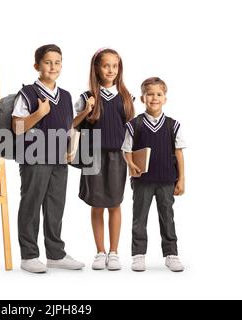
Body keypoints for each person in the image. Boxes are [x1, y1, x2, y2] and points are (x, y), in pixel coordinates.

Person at [12, 44, 85, 273]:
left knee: (55, 206)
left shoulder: (65, 96)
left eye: (57, 62)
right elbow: (17, 127)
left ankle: (55, 254)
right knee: (31, 204)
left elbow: (67, 125)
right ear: (37, 66)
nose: (53, 66)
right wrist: (39, 113)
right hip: (34, 158)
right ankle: (29, 255)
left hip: (59, 160)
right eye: (47, 62)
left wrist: (70, 147)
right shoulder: (27, 94)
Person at [73, 48, 134, 270]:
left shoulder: (126, 97)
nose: (110, 70)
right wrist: (85, 111)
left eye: (115, 66)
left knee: (115, 203)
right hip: (92, 155)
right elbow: (72, 125)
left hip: (117, 156)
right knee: (97, 204)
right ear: (96, 68)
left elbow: (131, 132)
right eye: (106, 65)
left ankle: (114, 252)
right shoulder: (87, 97)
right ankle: (100, 251)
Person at [122, 77, 186, 272]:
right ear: (143, 98)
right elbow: (127, 150)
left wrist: (181, 178)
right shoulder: (135, 125)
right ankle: (138, 254)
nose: (154, 98)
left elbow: (179, 152)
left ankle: (171, 254)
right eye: (150, 94)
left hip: (167, 180)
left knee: (167, 216)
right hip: (142, 180)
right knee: (139, 217)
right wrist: (131, 164)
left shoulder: (172, 125)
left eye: (159, 94)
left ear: (165, 98)